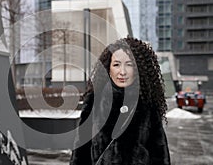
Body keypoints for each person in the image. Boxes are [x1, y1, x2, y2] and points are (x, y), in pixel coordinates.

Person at [70, 36, 171, 165]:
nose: (122, 72)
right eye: (116, 65)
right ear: (108, 68)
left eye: (129, 65)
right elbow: (80, 152)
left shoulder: (147, 105)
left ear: (138, 69)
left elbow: (159, 155)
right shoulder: (95, 102)